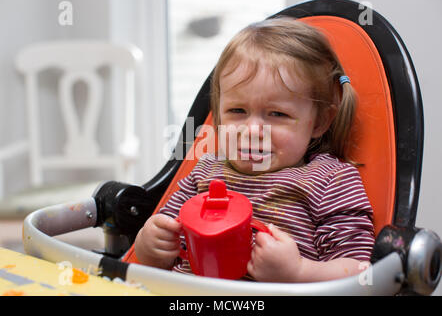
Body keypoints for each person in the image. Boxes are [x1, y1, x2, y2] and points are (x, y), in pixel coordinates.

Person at [133, 17, 375, 283]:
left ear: (319, 122)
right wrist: (150, 246)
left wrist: (298, 272)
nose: (252, 131)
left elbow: (361, 272)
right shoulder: (205, 171)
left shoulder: (330, 181)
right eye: (237, 111)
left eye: (277, 114)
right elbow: (161, 247)